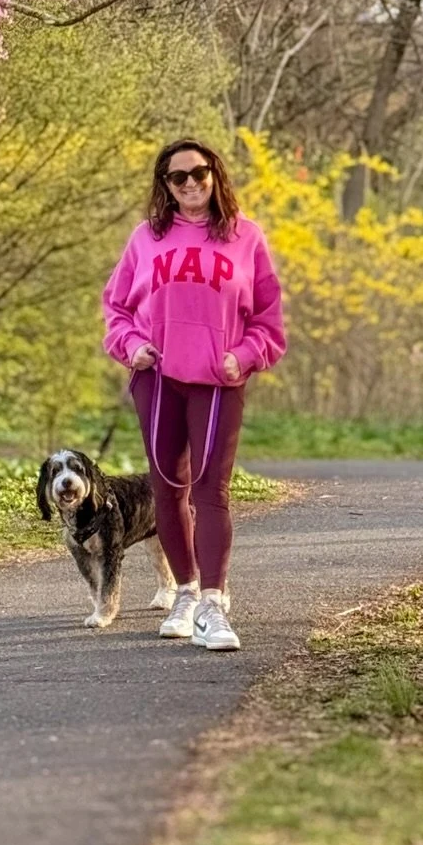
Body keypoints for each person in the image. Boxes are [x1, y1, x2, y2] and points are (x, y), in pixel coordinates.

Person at [102, 137, 286, 651]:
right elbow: (115, 309)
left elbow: (269, 322)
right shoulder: (146, 238)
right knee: (168, 488)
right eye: (177, 177)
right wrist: (131, 345)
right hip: (158, 379)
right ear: (165, 185)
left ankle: (213, 603)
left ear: (215, 176)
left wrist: (243, 356)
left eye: (198, 174)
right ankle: (183, 592)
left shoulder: (245, 237)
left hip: (219, 380)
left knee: (212, 491)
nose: (189, 185)